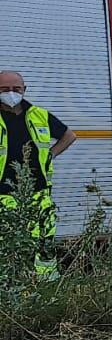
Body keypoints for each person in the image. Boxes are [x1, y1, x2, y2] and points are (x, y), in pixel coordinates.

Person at [0, 71, 76, 280]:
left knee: (44, 240)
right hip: (4, 192)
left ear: (24, 90)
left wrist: (50, 155)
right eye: (5, 89)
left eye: (16, 89)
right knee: (9, 243)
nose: (11, 93)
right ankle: (12, 285)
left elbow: (69, 136)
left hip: (39, 191)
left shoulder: (38, 115)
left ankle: (47, 283)